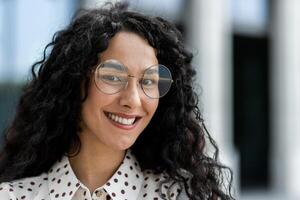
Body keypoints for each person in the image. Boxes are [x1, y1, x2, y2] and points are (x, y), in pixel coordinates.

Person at [0, 2, 234, 200]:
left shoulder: (181, 195)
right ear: (74, 82)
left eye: (149, 81)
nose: (133, 100)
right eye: (112, 77)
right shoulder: (12, 196)